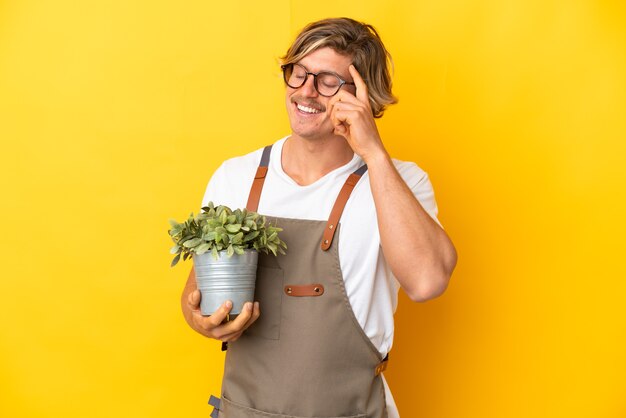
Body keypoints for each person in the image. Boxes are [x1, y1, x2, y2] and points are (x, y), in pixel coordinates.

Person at [181, 17, 457, 418]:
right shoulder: (235, 177)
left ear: (364, 96)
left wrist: (375, 155)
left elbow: (428, 281)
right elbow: (194, 299)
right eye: (299, 73)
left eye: (327, 81)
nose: (305, 91)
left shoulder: (402, 182)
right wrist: (202, 321)